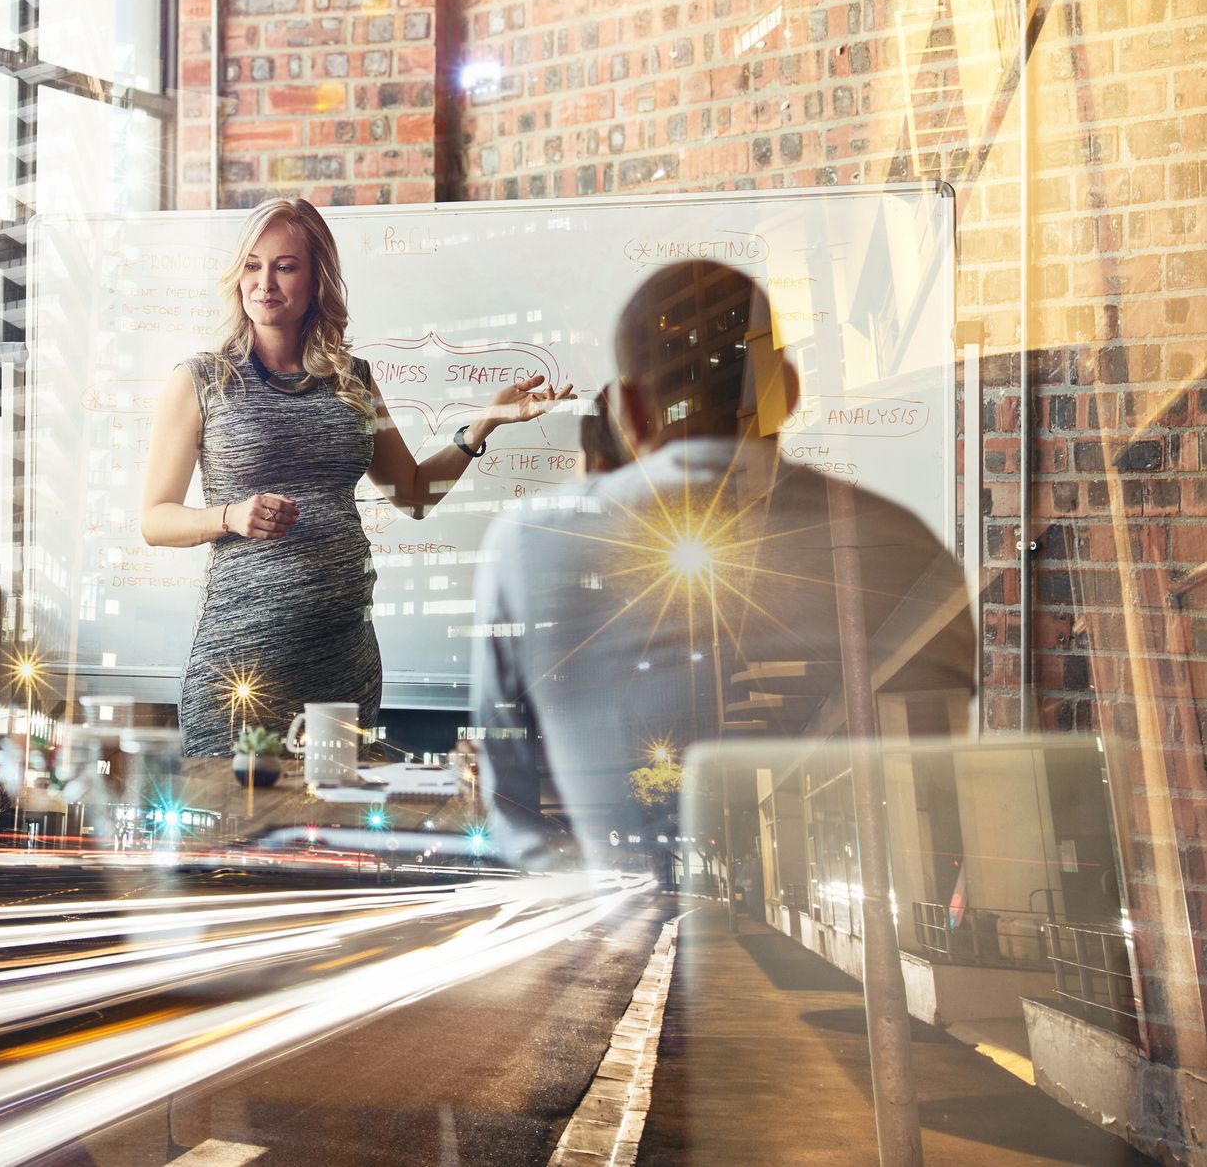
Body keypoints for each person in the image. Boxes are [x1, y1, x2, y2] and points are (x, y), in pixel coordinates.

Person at [468, 260, 976, 866]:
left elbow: (511, 810)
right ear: (787, 389)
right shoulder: (903, 545)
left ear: (627, 410)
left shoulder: (525, 542)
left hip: (605, 920)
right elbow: (941, 809)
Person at [141, 197, 572, 757]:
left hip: (344, 665)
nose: (264, 282)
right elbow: (155, 520)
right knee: (238, 835)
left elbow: (414, 495)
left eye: (285, 266)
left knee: (337, 833)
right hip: (240, 670)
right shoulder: (201, 380)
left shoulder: (354, 381)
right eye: (252, 265)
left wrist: (485, 422)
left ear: (316, 279)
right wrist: (229, 517)